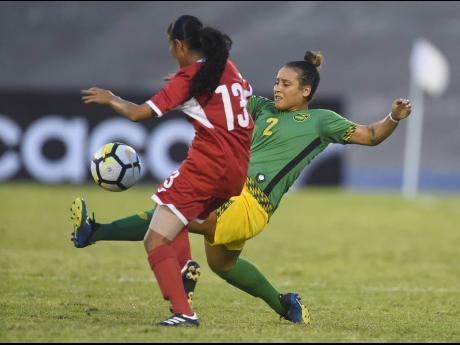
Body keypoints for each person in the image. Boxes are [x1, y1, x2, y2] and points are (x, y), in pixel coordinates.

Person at [72, 50, 411, 326]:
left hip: (255, 202)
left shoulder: (322, 121)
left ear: (305, 91)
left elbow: (370, 135)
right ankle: (285, 305)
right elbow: (225, 94)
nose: (277, 88)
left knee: (175, 214)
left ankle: (97, 233)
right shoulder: (261, 108)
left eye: (286, 83)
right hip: (230, 187)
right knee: (223, 265)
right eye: (277, 82)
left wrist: (392, 117)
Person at [78, 15, 254, 327]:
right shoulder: (225, 67)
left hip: (207, 168)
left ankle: (184, 312)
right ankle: (185, 267)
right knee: (174, 213)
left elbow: (136, 114)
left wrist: (111, 98)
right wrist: (187, 80)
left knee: (155, 239)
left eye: (170, 46)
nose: (170, 52)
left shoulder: (187, 82)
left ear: (179, 45)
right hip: (236, 172)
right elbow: (238, 95)